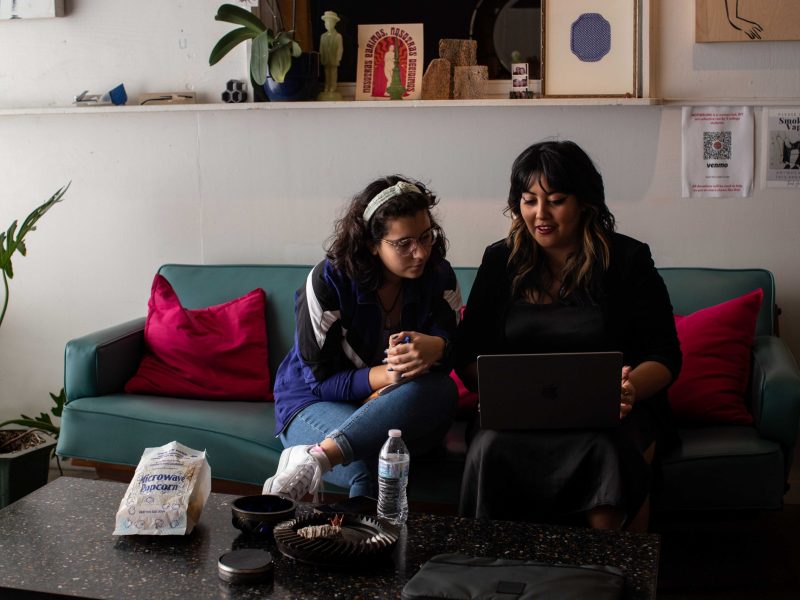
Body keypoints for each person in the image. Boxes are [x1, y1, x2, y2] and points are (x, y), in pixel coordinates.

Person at [455, 140, 681, 530]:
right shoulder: (500, 260)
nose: (540, 214)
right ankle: (489, 569)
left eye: (555, 200)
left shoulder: (628, 260)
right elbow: (467, 352)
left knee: (607, 451)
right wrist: (500, 390)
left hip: (609, 419)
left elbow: (665, 355)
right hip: (515, 419)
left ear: (584, 203)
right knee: (489, 446)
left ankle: (608, 576)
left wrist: (628, 390)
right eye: (528, 200)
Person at [263, 176, 461, 502]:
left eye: (427, 237)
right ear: (372, 243)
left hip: (396, 406)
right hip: (316, 402)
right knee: (377, 462)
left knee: (442, 389)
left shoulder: (439, 276)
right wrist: (388, 376)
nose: (421, 252)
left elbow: (455, 353)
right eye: (404, 243)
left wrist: (439, 348)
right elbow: (320, 381)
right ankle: (365, 549)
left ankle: (317, 457)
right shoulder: (328, 283)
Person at [318, 10, 343, 100]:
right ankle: (327, 87)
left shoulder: (338, 36)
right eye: (326, 23)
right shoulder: (323, 36)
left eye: (329, 23)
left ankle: (333, 87)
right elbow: (321, 48)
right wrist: (321, 57)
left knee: (333, 73)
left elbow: (340, 48)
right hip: (326, 58)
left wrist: (338, 58)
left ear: (334, 24)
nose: (327, 25)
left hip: (334, 59)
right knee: (326, 73)